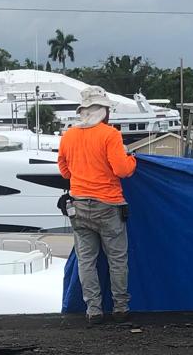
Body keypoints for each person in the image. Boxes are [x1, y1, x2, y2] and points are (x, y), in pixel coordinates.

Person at [57, 86, 137, 325]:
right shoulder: (110, 135)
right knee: (117, 260)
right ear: (104, 112)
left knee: (86, 261)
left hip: (79, 206)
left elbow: (64, 171)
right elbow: (122, 170)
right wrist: (131, 158)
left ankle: (93, 310)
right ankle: (121, 308)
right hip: (109, 206)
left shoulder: (69, 135)